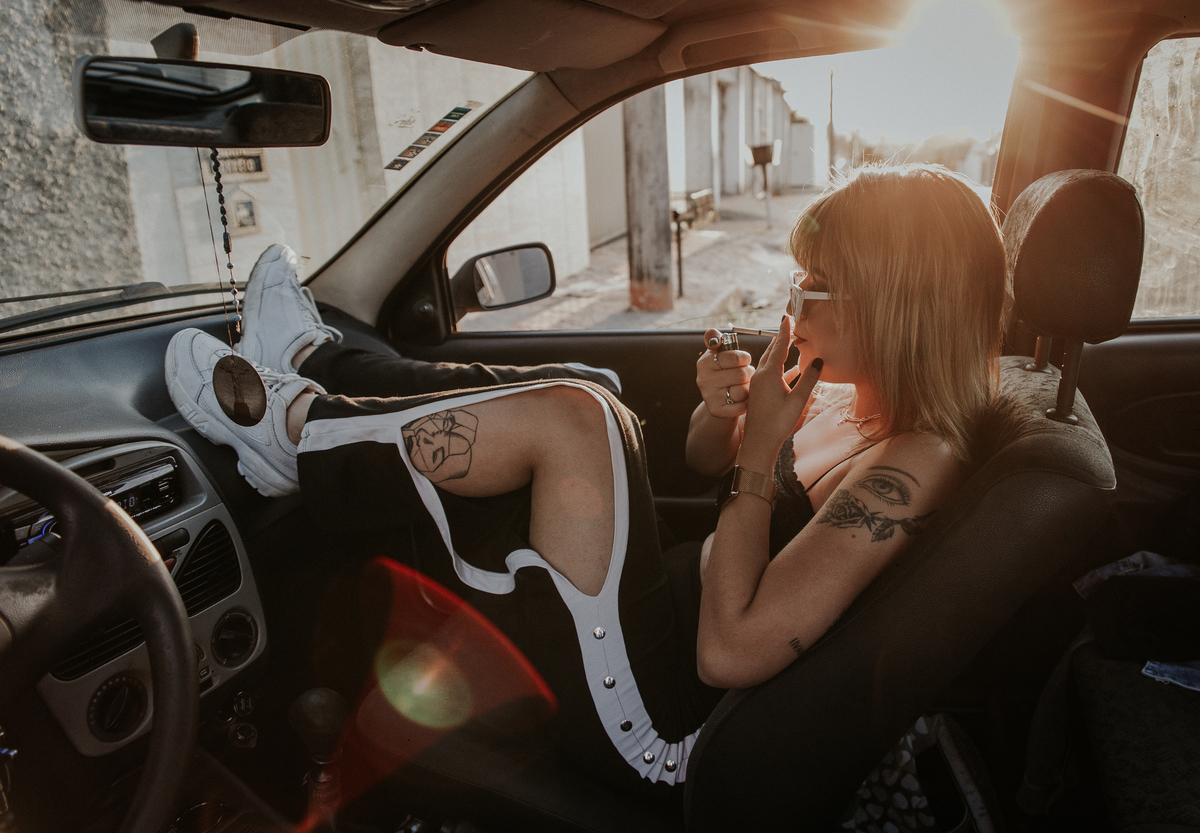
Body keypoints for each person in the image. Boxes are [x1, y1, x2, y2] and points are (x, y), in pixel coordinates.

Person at [165, 163, 1007, 797]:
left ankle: (297, 435)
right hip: (666, 617)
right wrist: (729, 416)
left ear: (897, 307)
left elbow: (729, 650)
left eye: (816, 287)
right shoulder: (862, 400)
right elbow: (707, 467)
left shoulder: (915, 462)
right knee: (593, 386)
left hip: (664, 722)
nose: (795, 304)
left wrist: (761, 454)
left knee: (577, 419)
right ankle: (318, 360)